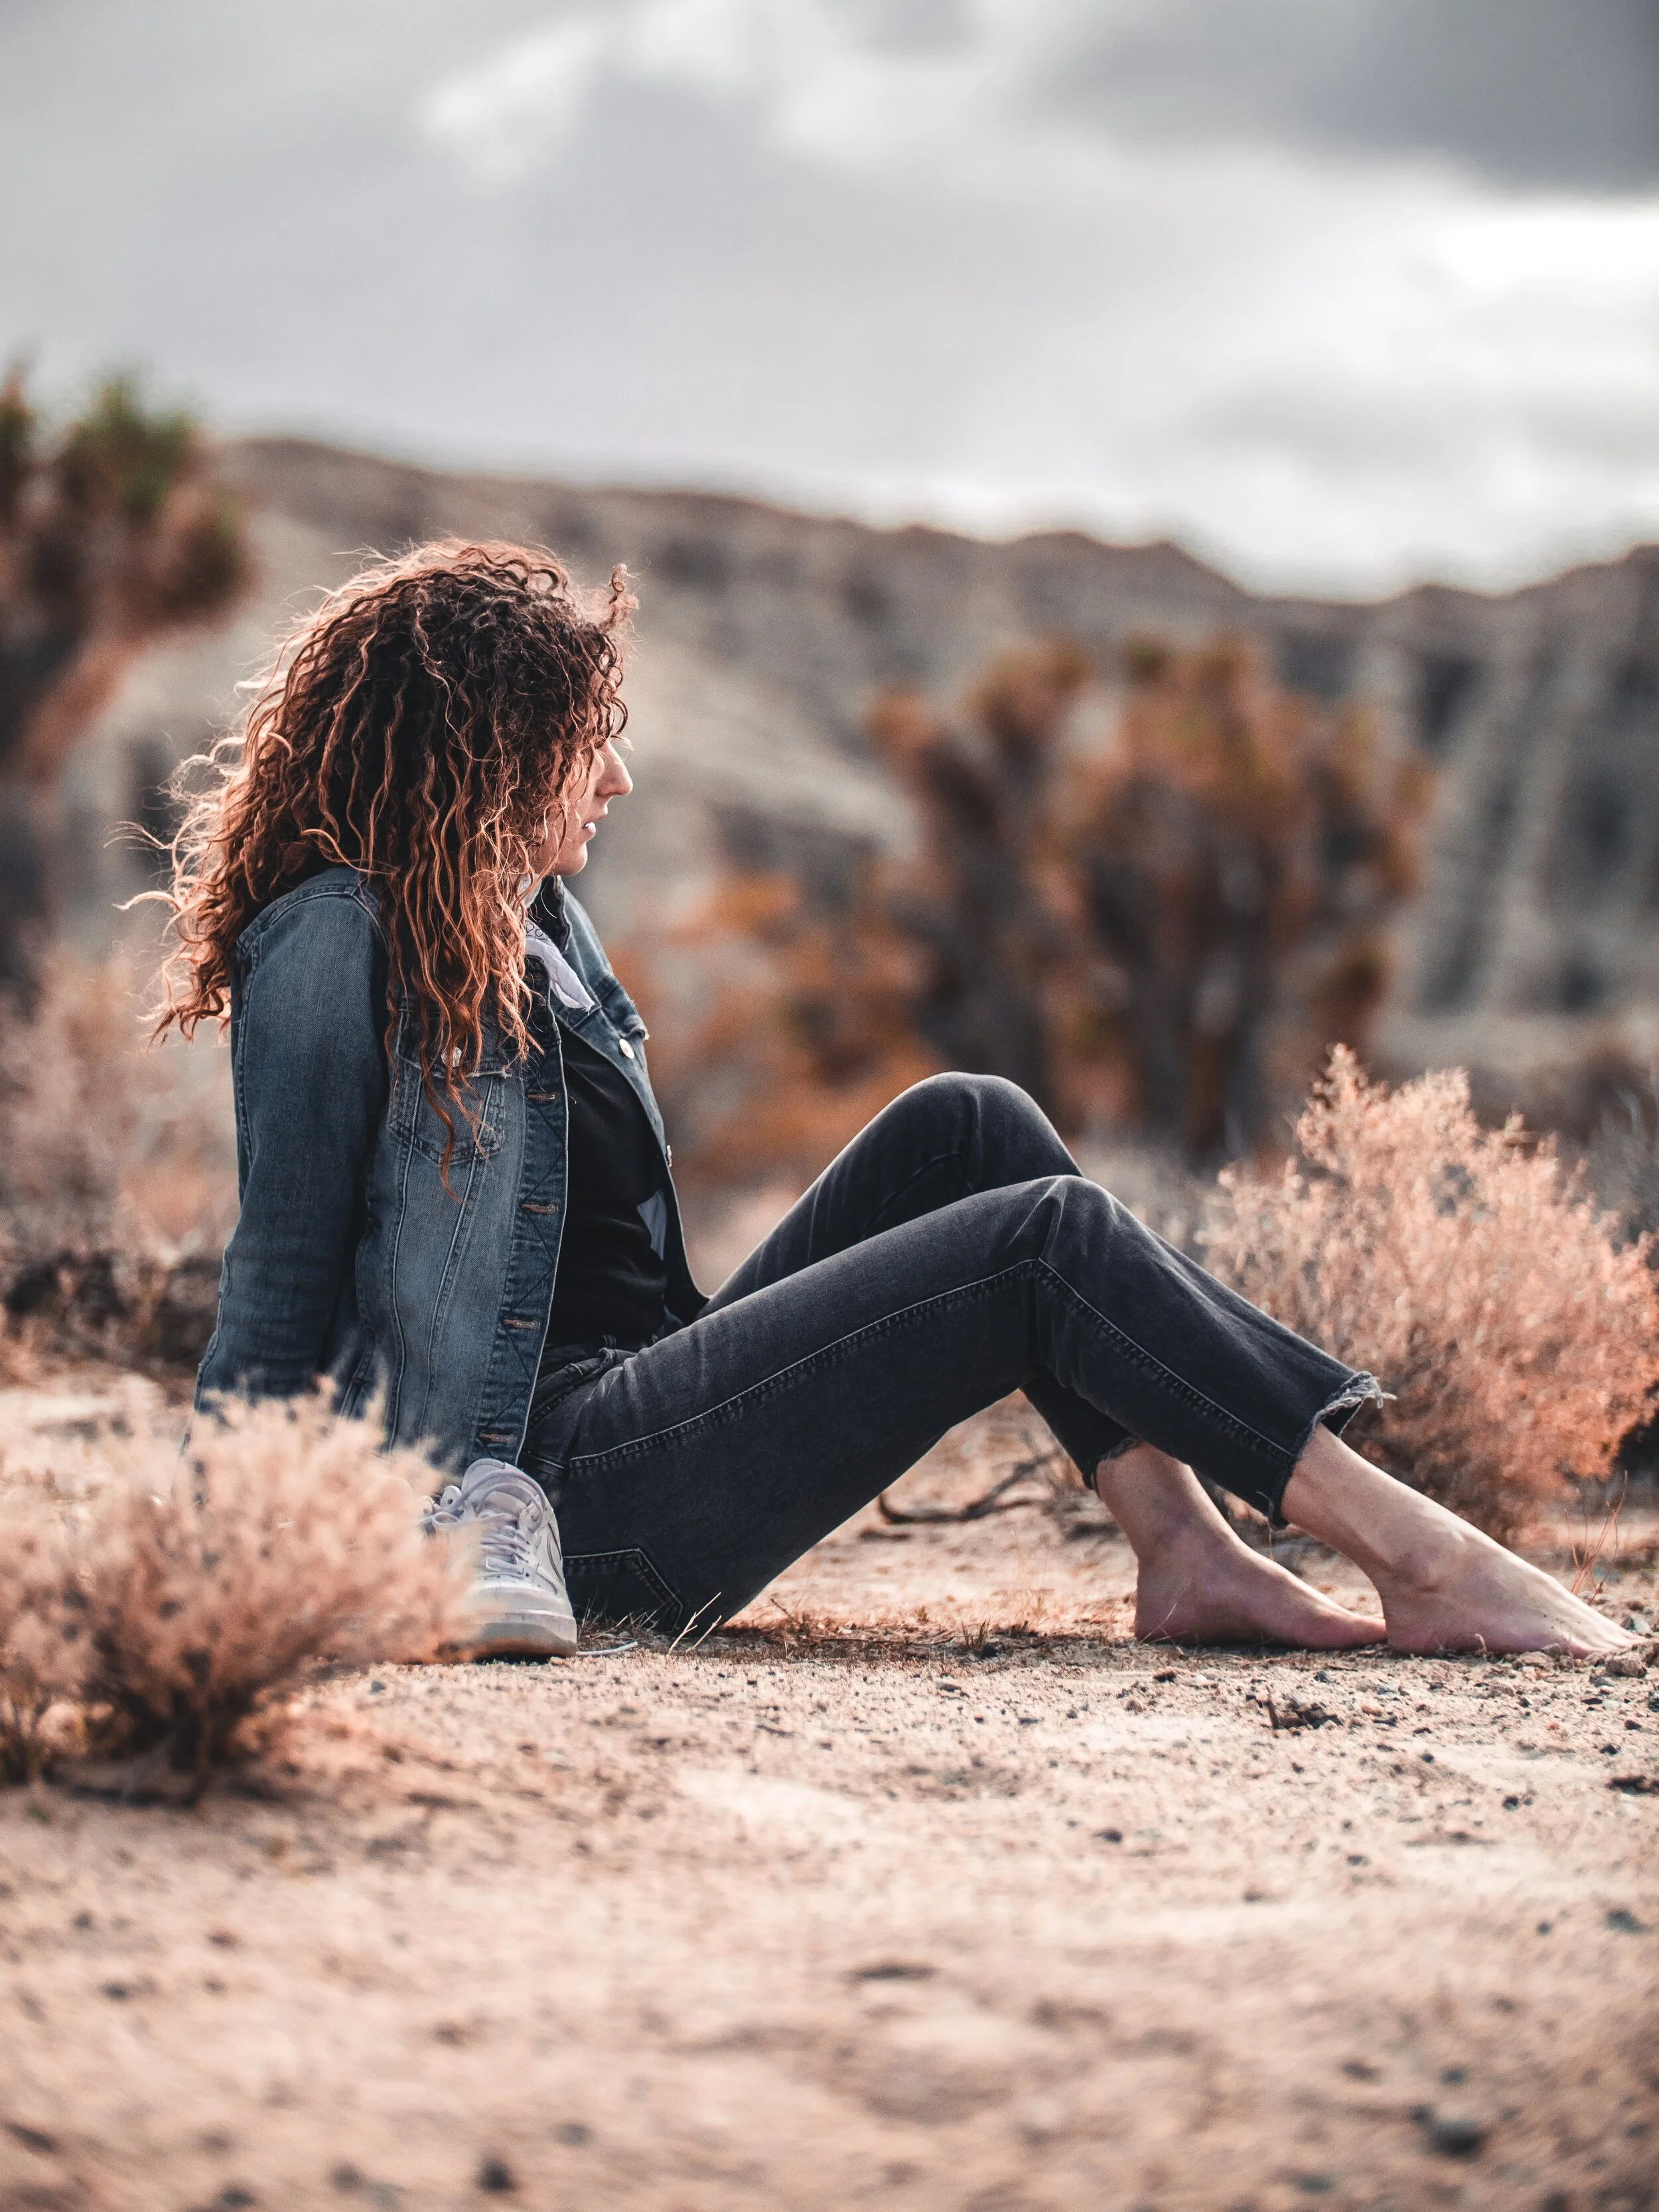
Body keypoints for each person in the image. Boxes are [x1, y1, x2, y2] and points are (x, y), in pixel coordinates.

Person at [162, 541, 1631, 1665]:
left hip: (635, 1407)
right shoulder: (335, 936)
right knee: (1037, 1238)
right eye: (580, 736)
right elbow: (282, 1270)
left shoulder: (536, 919)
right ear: (486, 748)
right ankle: (1421, 1554)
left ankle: (1181, 1550)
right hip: (541, 1499)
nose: (612, 777)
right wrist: (226, 1553)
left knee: (971, 1122)